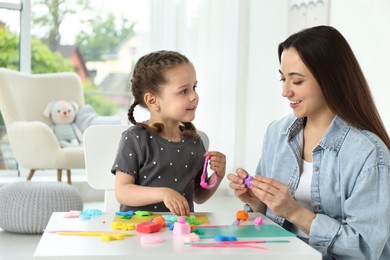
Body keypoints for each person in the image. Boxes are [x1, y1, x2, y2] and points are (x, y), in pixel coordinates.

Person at [228, 25, 390, 259]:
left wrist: (294, 212)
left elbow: (365, 248)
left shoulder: (369, 153)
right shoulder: (277, 133)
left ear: (330, 80)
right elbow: (267, 221)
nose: (285, 91)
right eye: (283, 79)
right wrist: (258, 204)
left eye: (297, 81)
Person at [111, 50, 226, 216]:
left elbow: (199, 196)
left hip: (179, 231)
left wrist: (217, 176)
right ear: (153, 101)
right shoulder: (136, 138)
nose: (194, 96)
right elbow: (122, 192)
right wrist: (162, 193)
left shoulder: (194, 141)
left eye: (194, 87)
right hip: (139, 232)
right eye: (184, 91)